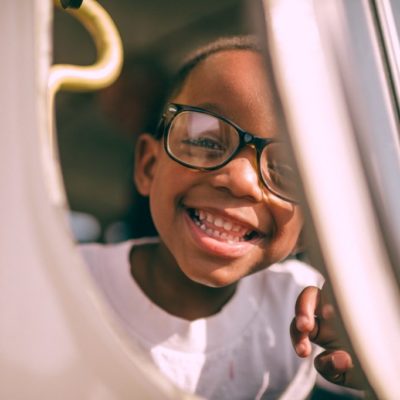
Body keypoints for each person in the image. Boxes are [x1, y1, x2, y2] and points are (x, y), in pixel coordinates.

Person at [80, 36, 361, 399]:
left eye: (289, 170)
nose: (241, 181)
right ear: (149, 166)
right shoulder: (65, 276)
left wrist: (371, 354)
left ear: (312, 225)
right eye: (207, 141)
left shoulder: (301, 315)